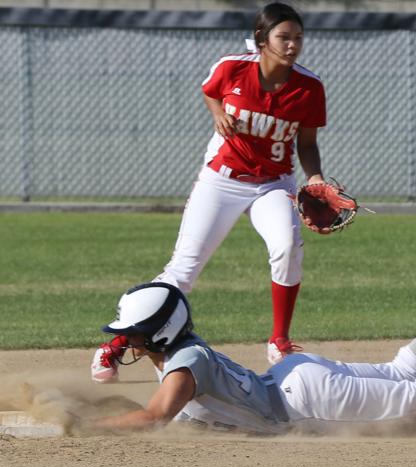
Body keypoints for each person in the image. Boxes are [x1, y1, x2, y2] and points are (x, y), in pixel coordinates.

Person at [92, 2, 327, 383]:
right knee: (184, 268)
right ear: (261, 40)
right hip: (222, 179)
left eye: (298, 38)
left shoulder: (309, 86)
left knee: (287, 245)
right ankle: (116, 344)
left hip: (272, 183)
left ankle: (279, 340)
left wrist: (314, 177)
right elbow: (210, 91)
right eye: (283, 37)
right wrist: (217, 111)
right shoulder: (232, 68)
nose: (292, 45)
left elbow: (308, 143)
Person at [90, 282, 416, 434]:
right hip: (294, 376)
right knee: (402, 370)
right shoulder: (184, 349)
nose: (125, 342)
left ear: (157, 334)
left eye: (131, 335)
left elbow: (154, 417)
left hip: (303, 399)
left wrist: (91, 429)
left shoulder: (183, 370)